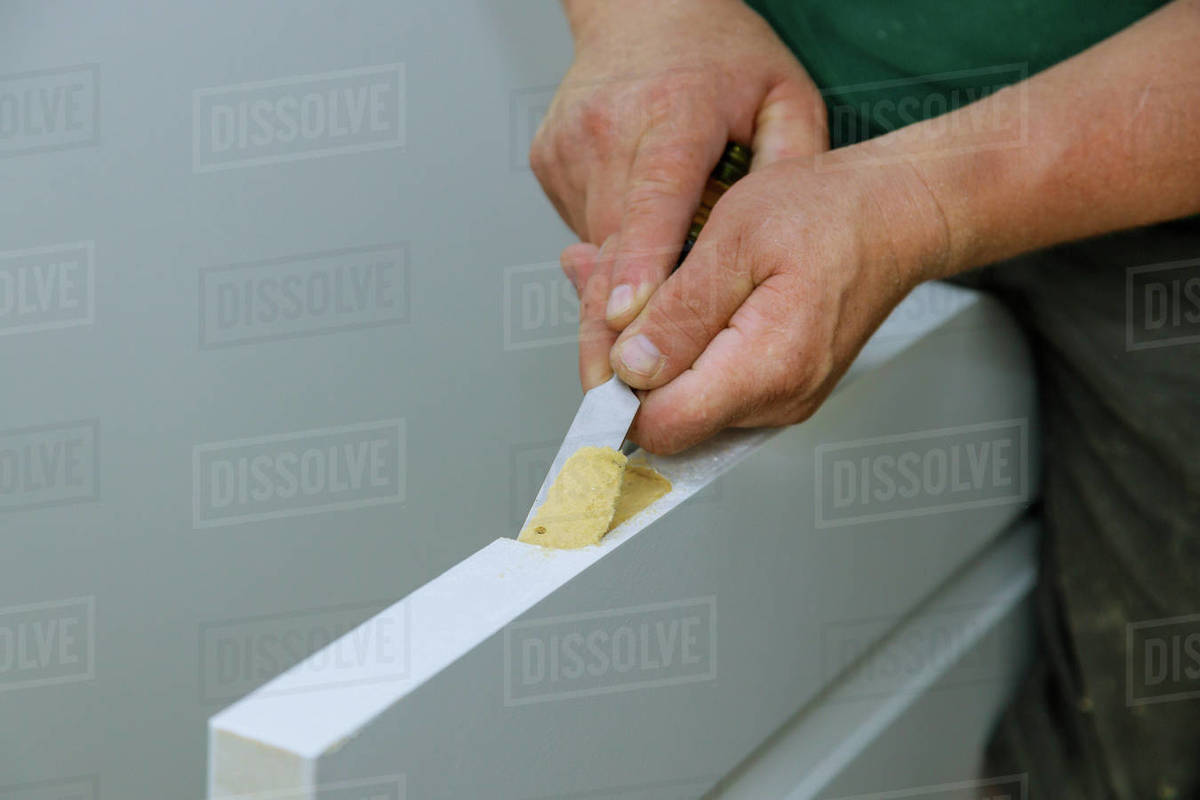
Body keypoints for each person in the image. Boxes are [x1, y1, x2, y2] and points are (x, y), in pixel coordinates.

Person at [528, 1, 1200, 797]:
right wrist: (647, 20)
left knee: (1154, 731)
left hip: (1155, 154)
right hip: (779, 143)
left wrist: (918, 201)